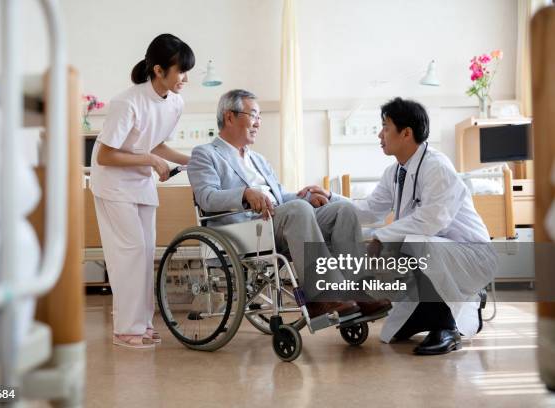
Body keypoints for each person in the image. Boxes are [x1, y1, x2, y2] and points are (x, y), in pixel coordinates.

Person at [304, 97, 497, 355]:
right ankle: (429, 313)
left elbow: (433, 219)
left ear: (406, 133)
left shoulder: (437, 167)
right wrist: (331, 197)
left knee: (417, 241)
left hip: (471, 255)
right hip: (434, 255)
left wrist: (383, 237)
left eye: (385, 127)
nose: (380, 134)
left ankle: (447, 325)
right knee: (391, 334)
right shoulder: (395, 172)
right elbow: (370, 209)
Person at [187, 89, 391, 320]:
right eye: (253, 115)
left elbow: (281, 197)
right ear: (229, 116)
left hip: (276, 223)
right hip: (240, 231)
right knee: (298, 210)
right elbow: (206, 197)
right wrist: (244, 193)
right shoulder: (205, 154)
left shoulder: (258, 159)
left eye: (259, 117)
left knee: (342, 210)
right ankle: (321, 295)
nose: (258, 123)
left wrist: (307, 198)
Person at [90, 34, 195, 349]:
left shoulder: (175, 103)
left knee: (146, 253)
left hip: (141, 183)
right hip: (113, 183)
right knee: (130, 253)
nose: (185, 79)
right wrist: (150, 159)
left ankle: (143, 325)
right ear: (159, 70)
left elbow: (158, 142)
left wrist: (192, 159)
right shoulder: (127, 101)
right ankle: (126, 328)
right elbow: (105, 155)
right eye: (180, 71)